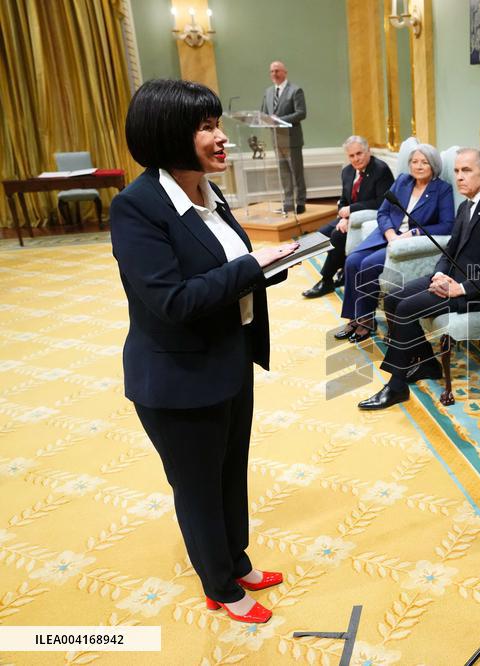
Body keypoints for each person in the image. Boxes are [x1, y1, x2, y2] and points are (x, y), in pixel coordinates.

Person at [110, 80, 301, 624]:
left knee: (229, 471)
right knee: (197, 486)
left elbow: (228, 268)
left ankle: (234, 560)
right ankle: (220, 585)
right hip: (178, 377)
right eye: (208, 128)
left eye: (219, 125)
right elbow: (172, 300)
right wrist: (249, 268)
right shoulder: (137, 207)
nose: (223, 139)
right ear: (171, 134)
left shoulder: (207, 194)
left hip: (228, 358)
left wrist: (271, 264)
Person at [358, 147, 480, 410]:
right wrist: (441, 273)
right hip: (451, 278)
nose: (459, 177)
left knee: (407, 308)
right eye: (456, 171)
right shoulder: (466, 205)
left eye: (466, 170)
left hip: (479, 293)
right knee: (394, 298)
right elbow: (450, 250)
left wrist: (460, 289)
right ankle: (428, 362)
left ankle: (396, 386)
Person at [335, 144, 455, 343]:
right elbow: (383, 211)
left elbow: (447, 225)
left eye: (424, 162)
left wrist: (413, 233)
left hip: (407, 244)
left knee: (368, 264)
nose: (418, 166)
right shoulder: (402, 181)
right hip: (387, 236)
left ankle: (365, 321)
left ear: (433, 165)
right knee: (352, 260)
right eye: (414, 162)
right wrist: (390, 233)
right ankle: (354, 317)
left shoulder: (442, 189)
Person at [302, 136, 394, 298]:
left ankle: (326, 280)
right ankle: (343, 271)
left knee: (338, 236)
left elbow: (382, 202)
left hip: (369, 219)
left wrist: (351, 211)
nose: (356, 159)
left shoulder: (381, 170)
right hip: (349, 218)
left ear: (368, 151)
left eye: (359, 153)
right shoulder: (347, 171)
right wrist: (344, 216)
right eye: (351, 156)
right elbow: (343, 200)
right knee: (322, 234)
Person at [261, 61, 307, 214]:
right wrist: (266, 119)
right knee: (284, 174)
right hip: (276, 139)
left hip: (291, 139)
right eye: (271, 71)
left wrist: (279, 119)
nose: (274, 74)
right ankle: (288, 204)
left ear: (284, 72)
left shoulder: (295, 90)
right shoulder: (268, 92)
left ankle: (300, 202)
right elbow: (262, 113)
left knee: (296, 172)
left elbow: (301, 113)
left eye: (277, 71)